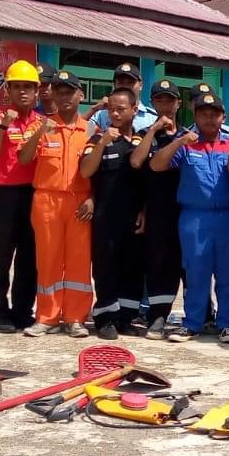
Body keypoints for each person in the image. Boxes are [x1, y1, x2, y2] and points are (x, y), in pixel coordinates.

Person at [151, 90, 229, 344]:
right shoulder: (186, 142)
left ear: (223, 116)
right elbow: (157, 165)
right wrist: (179, 142)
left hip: (228, 216)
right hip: (195, 218)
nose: (210, 119)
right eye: (204, 114)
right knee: (196, 271)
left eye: (214, 114)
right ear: (195, 115)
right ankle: (192, 323)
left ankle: (227, 323)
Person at [22, 70, 94, 338]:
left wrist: (93, 199)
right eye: (59, 92)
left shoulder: (90, 129)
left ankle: (76, 317)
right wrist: (40, 130)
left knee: (78, 261)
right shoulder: (41, 125)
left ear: (80, 95)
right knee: (48, 259)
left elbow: (100, 172)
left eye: (70, 92)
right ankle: (47, 317)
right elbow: (24, 158)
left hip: (80, 202)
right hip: (46, 200)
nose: (64, 97)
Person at [0, 60, 44, 333]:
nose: (23, 92)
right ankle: (0, 312)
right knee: (2, 256)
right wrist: (3, 128)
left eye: (28, 87)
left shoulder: (41, 122)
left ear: (37, 91)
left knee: (29, 258)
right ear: (7, 89)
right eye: (17, 86)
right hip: (5, 196)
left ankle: (22, 310)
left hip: (33, 195)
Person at [80, 87, 148, 339]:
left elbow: (146, 182)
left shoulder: (141, 141)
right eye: (112, 109)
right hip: (106, 217)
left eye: (121, 109)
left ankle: (126, 318)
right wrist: (104, 142)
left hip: (134, 217)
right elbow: (86, 171)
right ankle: (105, 318)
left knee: (132, 268)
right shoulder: (97, 139)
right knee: (105, 268)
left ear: (134, 110)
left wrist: (144, 210)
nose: (116, 114)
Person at [129, 81, 186, 338]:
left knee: (190, 266)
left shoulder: (189, 135)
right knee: (159, 264)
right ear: (153, 104)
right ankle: (158, 316)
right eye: (160, 100)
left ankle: (203, 315)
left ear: (178, 104)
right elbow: (137, 164)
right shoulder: (144, 134)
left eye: (170, 100)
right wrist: (153, 130)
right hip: (157, 210)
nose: (165, 105)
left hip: (186, 209)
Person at [87, 63, 156, 134]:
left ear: (141, 85)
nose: (125, 86)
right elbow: (86, 134)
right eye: (121, 83)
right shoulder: (100, 115)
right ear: (114, 85)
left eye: (130, 82)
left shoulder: (152, 118)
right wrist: (93, 109)